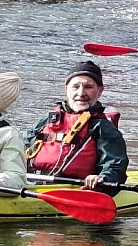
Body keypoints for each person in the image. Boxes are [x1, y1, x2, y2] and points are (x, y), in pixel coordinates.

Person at [25, 61, 128, 190]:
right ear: (66, 89)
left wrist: (102, 178)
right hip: (30, 184)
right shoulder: (46, 121)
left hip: (74, 188)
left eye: (88, 87)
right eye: (75, 86)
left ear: (99, 91)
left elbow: (115, 165)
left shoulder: (103, 128)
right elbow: (20, 148)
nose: (81, 93)